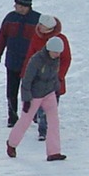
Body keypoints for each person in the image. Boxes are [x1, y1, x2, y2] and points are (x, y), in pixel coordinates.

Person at [7, 37, 67, 161]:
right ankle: (11, 144)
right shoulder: (36, 60)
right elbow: (27, 80)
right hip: (34, 95)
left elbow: (54, 75)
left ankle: (54, 152)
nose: (57, 55)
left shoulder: (56, 59)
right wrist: (26, 99)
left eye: (59, 52)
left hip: (49, 93)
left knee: (54, 122)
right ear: (49, 49)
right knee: (26, 121)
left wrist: (57, 88)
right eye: (55, 52)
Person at [0, 0, 39, 127]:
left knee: (31, 91)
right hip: (12, 61)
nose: (16, 7)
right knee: (11, 92)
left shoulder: (37, 20)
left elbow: (43, 40)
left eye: (18, 5)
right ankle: (12, 117)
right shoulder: (10, 18)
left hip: (30, 63)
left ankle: (34, 116)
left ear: (26, 7)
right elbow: (2, 36)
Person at [27, 12, 70, 142]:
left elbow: (66, 59)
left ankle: (44, 130)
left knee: (50, 107)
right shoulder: (36, 37)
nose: (39, 27)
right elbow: (31, 56)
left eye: (42, 25)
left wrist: (59, 76)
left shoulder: (61, 39)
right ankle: (41, 125)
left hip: (53, 80)